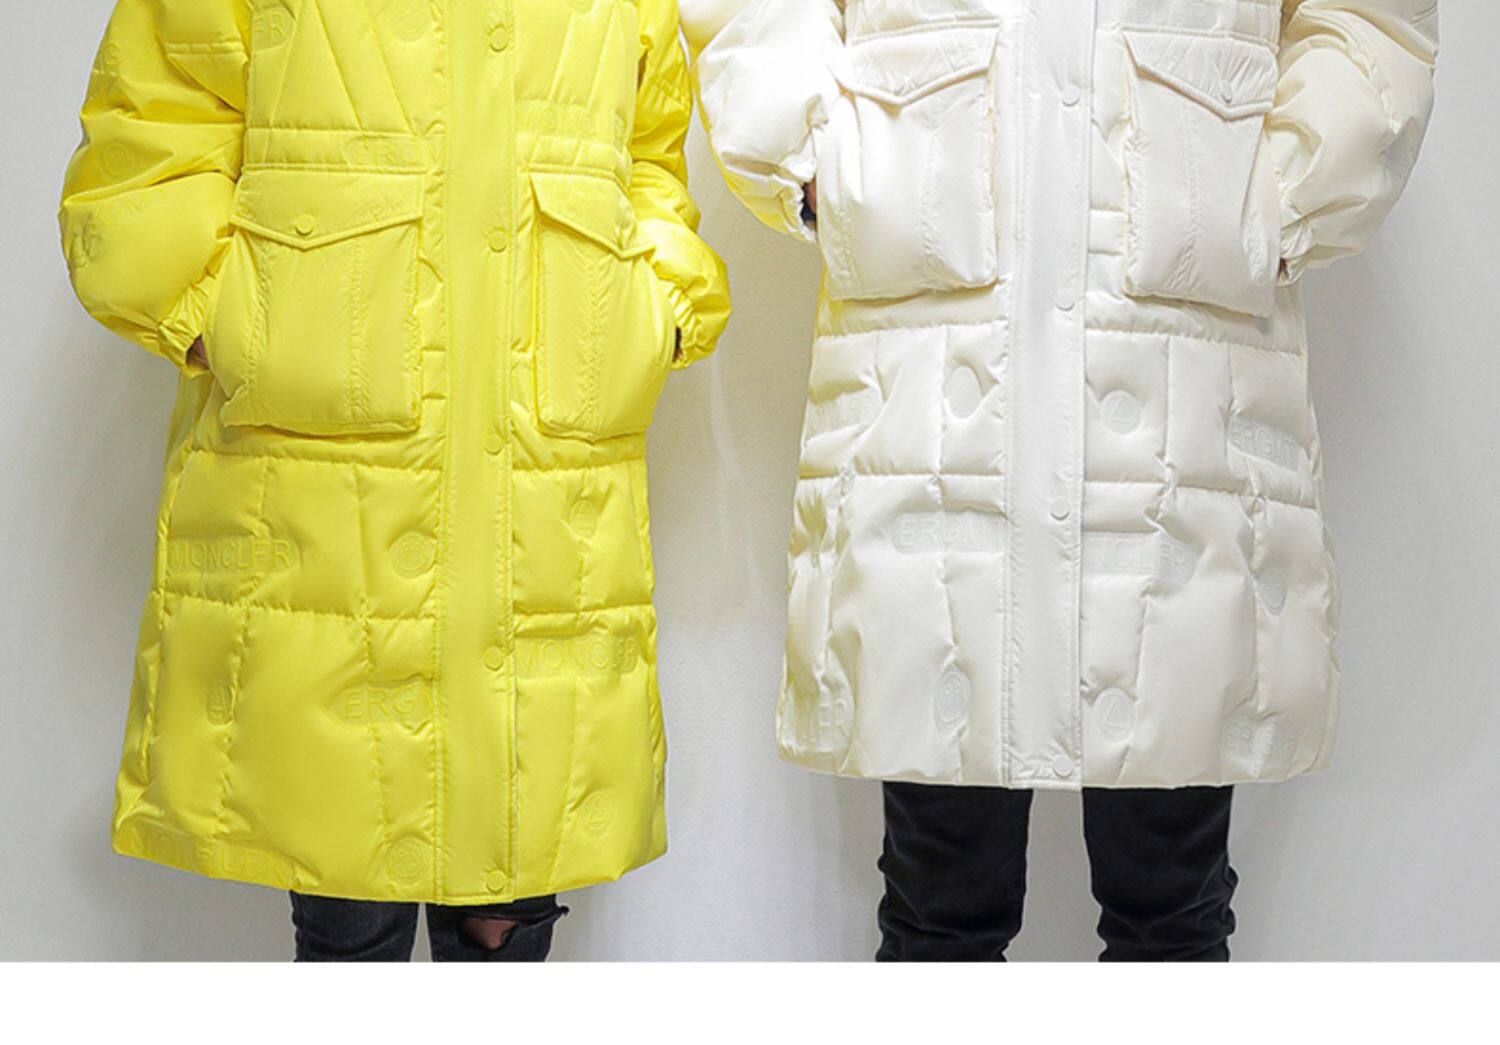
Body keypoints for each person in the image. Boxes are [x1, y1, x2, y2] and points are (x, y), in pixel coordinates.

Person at [682, 0, 1437, 960]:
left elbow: (1371, 19)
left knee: (1170, 903)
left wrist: (1286, 190)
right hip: (937, 348)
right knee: (939, 903)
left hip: (1175, 360)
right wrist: (816, 154)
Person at [60, 0, 730, 961]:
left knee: (508, 898)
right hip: (325, 485)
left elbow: (651, 150)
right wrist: (226, 315)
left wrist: (655, 309)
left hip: (544, 479)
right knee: (346, 892)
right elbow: (148, 137)